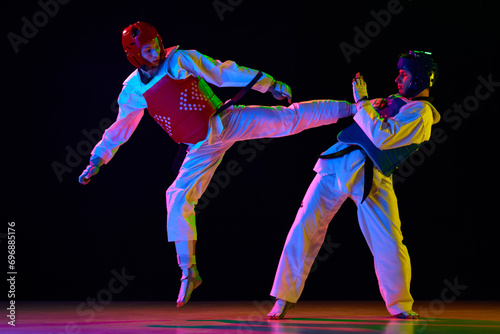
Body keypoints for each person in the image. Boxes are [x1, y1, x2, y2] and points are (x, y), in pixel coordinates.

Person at [78, 21, 356, 308]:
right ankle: (189, 272)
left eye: (158, 44)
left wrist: (268, 83)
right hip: (200, 148)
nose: (156, 52)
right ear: (134, 55)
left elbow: (222, 72)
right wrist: (97, 159)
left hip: (225, 121)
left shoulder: (179, 59)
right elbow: (120, 127)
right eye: (148, 50)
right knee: (176, 196)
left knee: (286, 119)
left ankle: (352, 108)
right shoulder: (133, 90)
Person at [267, 51, 440, 320]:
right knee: (304, 227)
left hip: (371, 177)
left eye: (403, 74)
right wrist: (367, 104)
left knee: (389, 242)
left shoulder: (422, 114)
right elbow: (365, 117)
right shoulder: (395, 101)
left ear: (419, 77)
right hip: (335, 165)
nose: (397, 79)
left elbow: (383, 137)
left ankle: (400, 305)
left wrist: (363, 102)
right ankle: (283, 297)